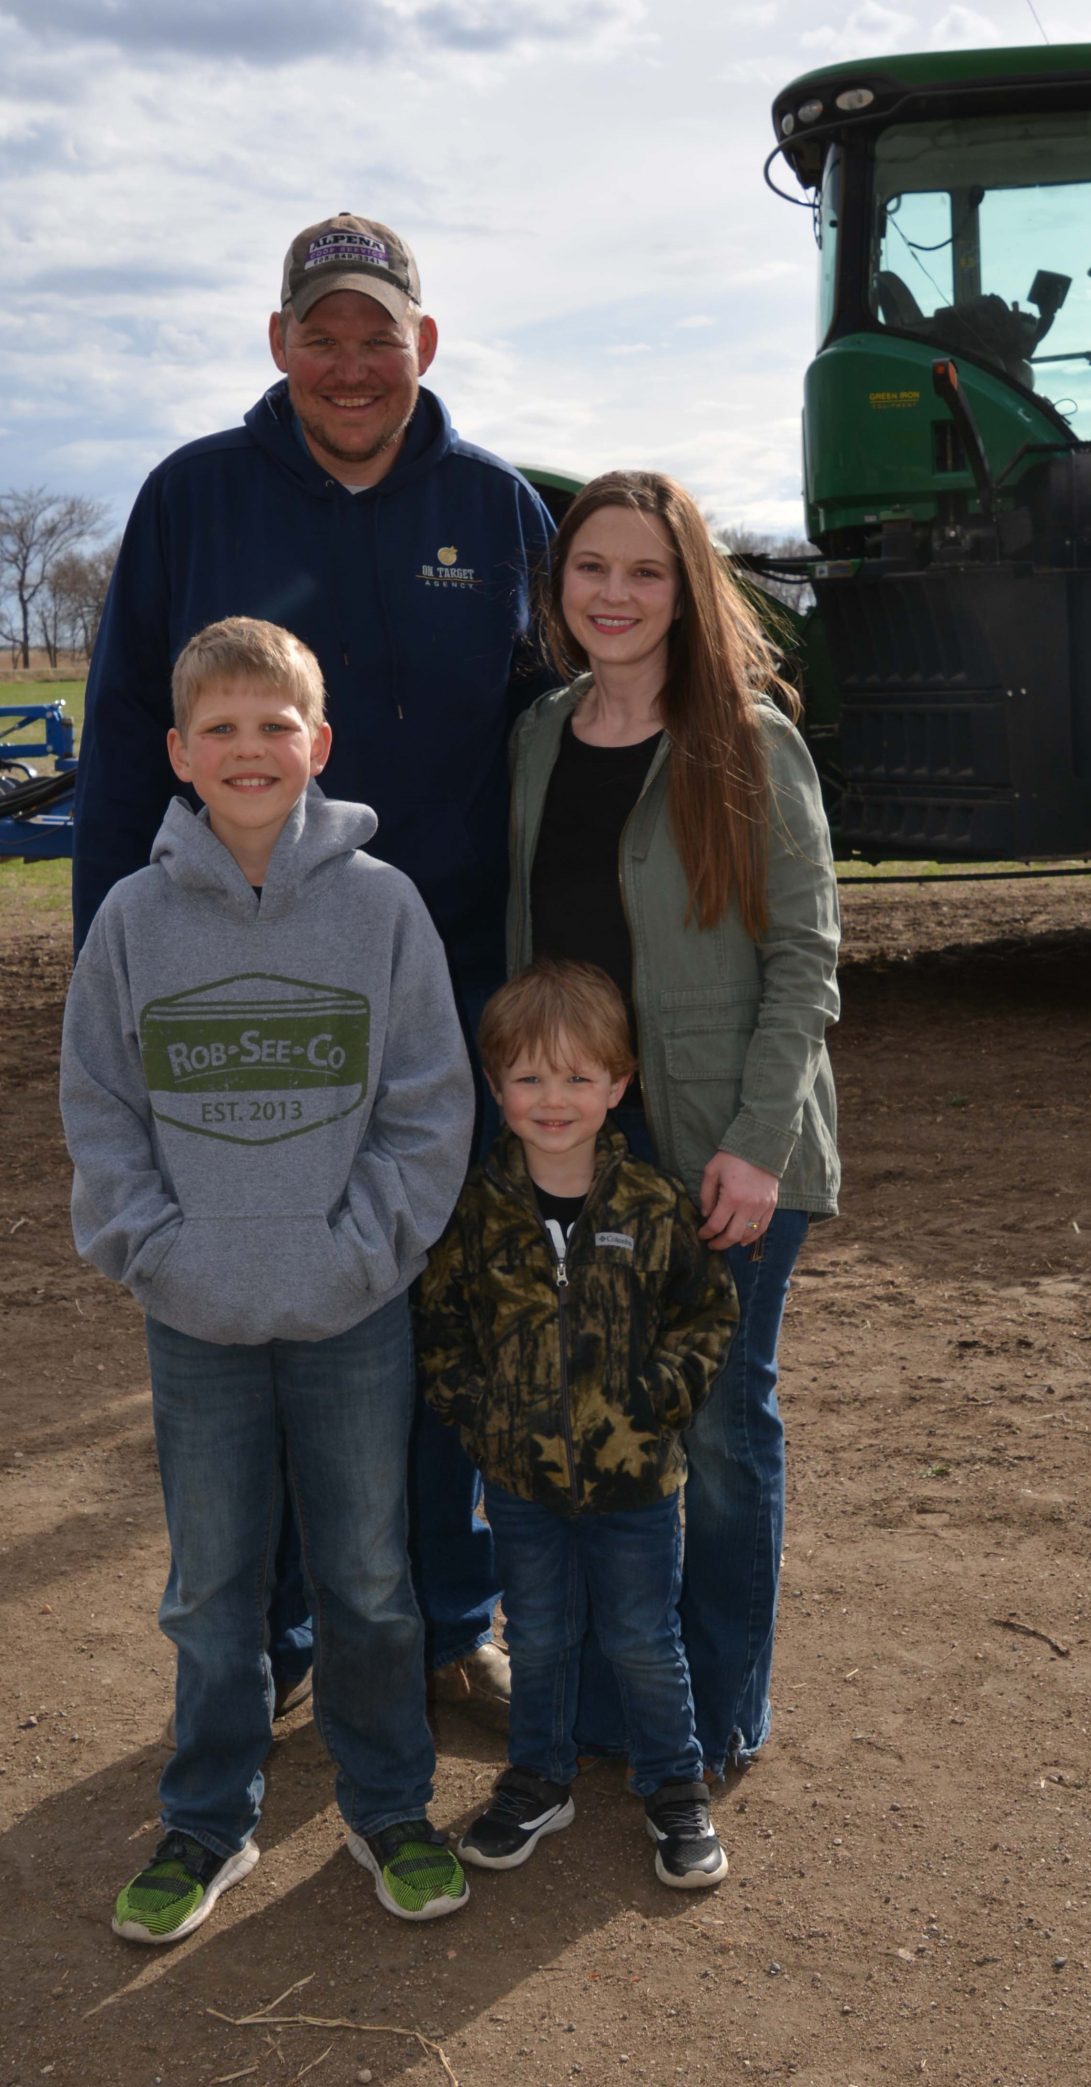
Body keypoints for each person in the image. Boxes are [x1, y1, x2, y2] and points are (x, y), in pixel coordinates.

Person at [71, 212, 555, 1729]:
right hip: (238, 992)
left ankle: (441, 1615)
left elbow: (552, 748)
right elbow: (113, 749)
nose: (352, 363)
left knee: (417, 1307)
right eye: (322, 333)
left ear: (426, 342)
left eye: (379, 333)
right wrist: (118, 968)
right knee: (260, 1301)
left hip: (450, 989)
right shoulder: (193, 498)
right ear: (279, 344)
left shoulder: (498, 507)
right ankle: (278, 1635)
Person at [60, 618, 473, 1942]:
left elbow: (428, 1109)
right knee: (213, 1583)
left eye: (274, 724)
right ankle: (207, 1818)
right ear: (179, 752)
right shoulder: (132, 918)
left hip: (353, 1311)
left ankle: (388, 1801)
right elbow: (103, 1111)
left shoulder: (382, 908)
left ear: (319, 744)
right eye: (221, 729)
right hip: (196, 1317)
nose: (250, 749)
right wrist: (161, 1253)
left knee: (366, 1571)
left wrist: (357, 1255)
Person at [506, 470, 840, 1777]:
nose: (616, 594)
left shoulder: (749, 735)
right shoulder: (538, 731)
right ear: (561, 583)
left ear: (687, 587)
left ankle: (718, 1709)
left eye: (645, 570)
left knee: (714, 1426)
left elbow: (808, 952)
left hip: (722, 1145)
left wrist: (757, 1142)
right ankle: (609, 1704)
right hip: (579, 1147)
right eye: (592, 567)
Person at [415, 959, 739, 1886]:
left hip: (637, 1481)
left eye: (577, 1077)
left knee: (642, 1637)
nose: (552, 1099)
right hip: (520, 1483)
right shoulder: (478, 1211)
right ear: (495, 1088)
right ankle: (538, 1779)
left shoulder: (652, 1204)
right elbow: (440, 1323)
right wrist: (482, 1416)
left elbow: (708, 1313)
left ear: (618, 1086)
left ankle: (676, 1789)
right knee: (542, 1635)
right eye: (527, 1077)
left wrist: (664, 1397)